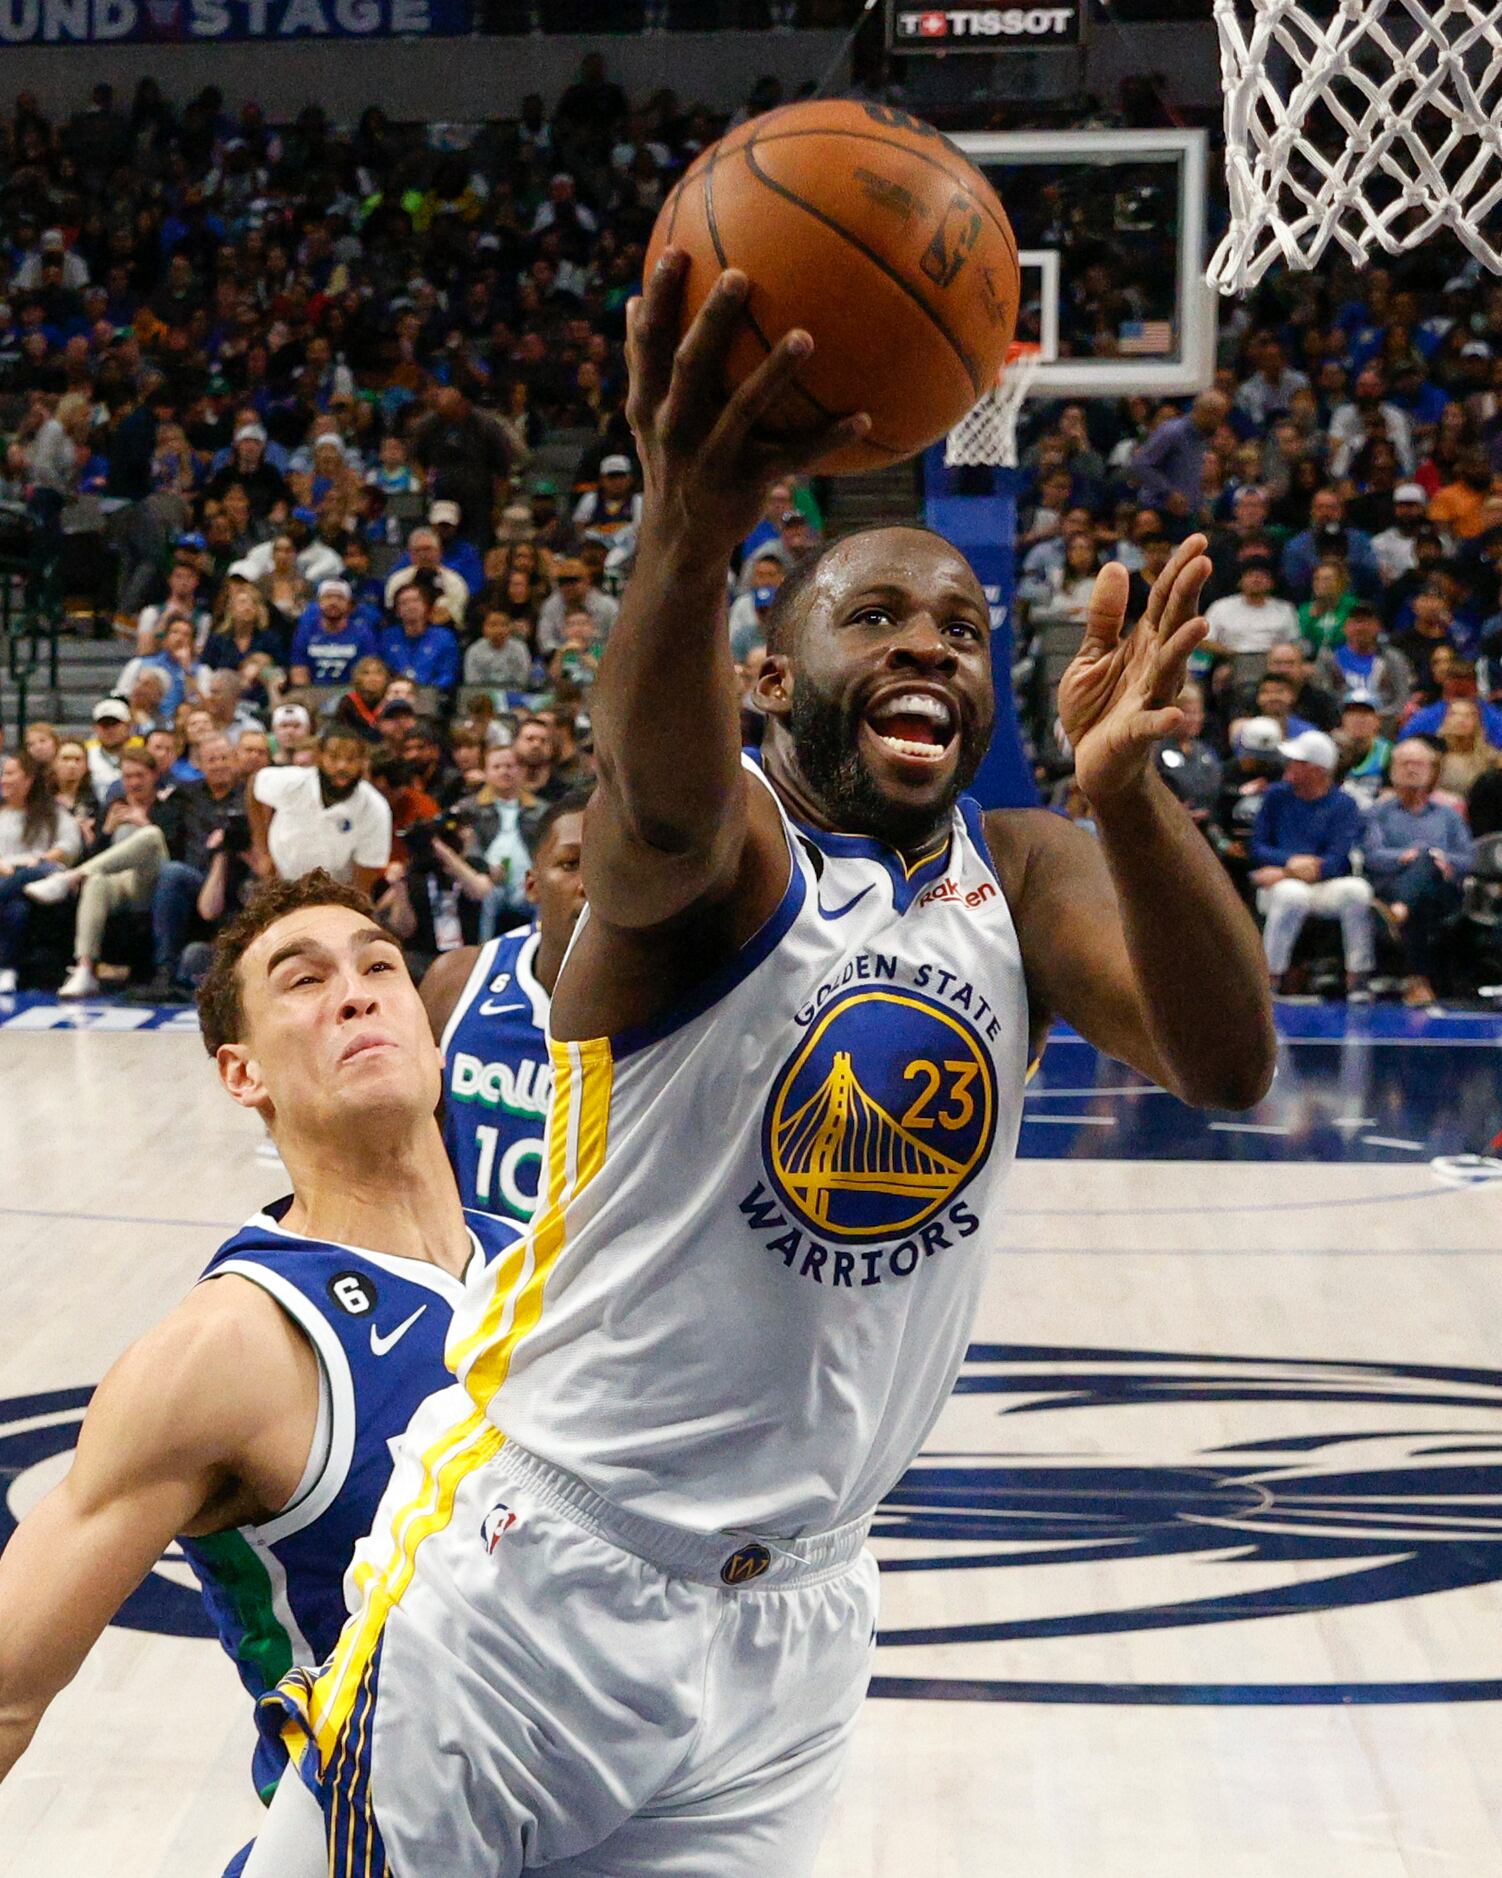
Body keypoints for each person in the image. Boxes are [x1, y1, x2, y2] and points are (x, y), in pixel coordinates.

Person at [249, 255, 1272, 1876]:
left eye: (960, 623)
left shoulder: (1024, 869)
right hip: (533, 1576)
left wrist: (1128, 795)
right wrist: (688, 530)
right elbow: (654, 803)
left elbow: (1222, 1063)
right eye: (874, 615)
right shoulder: (723, 862)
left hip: (796, 1622)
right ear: (773, 677)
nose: (926, 642)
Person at [0, 873, 519, 1873]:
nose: (358, 992)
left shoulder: (541, 1269)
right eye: (303, 980)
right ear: (242, 1074)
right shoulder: (227, 1346)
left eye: (379, 966)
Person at [419, 791, 589, 1227]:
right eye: (571, 864)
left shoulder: (673, 1011)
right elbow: (407, 1140)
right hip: (468, 1271)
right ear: (532, 885)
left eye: (612, 864)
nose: (592, 883)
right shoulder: (457, 981)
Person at [1250, 728, 1375, 998]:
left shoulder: (1344, 804)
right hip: (1282, 886)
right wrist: (1290, 865)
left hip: (1320, 884)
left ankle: (1358, 977)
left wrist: (1286, 870)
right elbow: (1258, 847)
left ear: (1317, 770)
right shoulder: (1275, 797)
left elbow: (1337, 857)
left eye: (1298, 762)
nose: (1289, 766)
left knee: (1357, 891)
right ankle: (1270, 978)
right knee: (1291, 895)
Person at [1364, 738, 1476, 1006]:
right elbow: (1372, 856)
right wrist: (1405, 857)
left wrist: (1443, 859)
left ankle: (1399, 912)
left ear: (1431, 771)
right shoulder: (1378, 813)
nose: (1411, 769)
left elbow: (1468, 859)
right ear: (1392, 771)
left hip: (1444, 890)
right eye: (1405, 764)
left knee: (1428, 862)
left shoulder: (1448, 816)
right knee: (1423, 882)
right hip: (1391, 886)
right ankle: (1419, 981)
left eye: (1418, 764)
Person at [250, 728, 392, 893]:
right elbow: (254, 784)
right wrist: (262, 850)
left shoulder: (374, 808)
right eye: (334, 758)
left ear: (363, 762)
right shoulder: (294, 782)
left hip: (335, 891)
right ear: (319, 757)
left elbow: (365, 875)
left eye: (351, 759)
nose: (342, 766)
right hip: (281, 881)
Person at [0, 750, 83, 994]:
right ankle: (6, 968)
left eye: (10, 774)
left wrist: (44, 858)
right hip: (8, 876)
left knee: (40, 872)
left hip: (37, 870)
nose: (3, 779)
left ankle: (6, 969)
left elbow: (70, 843)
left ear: (28, 779)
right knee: (17, 907)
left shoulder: (51, 813)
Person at [290, 579, 380, 690]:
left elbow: (367, 672)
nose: (333, 602)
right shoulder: (306, 632)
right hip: (313, 693)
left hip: (350, 694)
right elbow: (299, 672)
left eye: (340, 598)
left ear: (349, 604)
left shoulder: (363, 634)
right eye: (328, 597)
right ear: (319, 602)